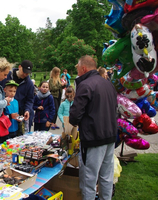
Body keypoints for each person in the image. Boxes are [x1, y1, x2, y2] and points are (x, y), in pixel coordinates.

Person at [69, 55, 117, 200]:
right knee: (106, 177)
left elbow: (75, 116)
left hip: (94, 138)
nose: (76, 69)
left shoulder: (86, 85)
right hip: (109, 136)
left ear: (83, 68)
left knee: (89, 180)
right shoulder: (107, 83)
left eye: (77, 67)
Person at [0, 60, 35, 134]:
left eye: (27, 73)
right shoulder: (7, 75)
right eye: (24, 71)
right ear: (19, 67)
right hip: (5, 110)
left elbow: (30, 100)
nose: (25, 74)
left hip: (20, 112)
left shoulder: (29, 84)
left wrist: (27, 110)